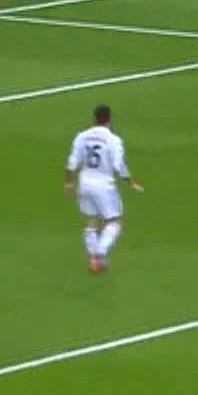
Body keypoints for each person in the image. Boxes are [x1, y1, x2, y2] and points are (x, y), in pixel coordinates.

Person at [65, 104, 142, 274]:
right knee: (115, 222)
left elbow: (72, 162)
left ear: (94, 118)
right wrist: (131, 183)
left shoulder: (82, 136)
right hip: (103, 185)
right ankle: (100, 253)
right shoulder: (113, 140)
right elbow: (118, 165)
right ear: (110, 119)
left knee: (92, 221)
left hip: (84, 182)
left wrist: (69, 182)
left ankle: (94, 260)